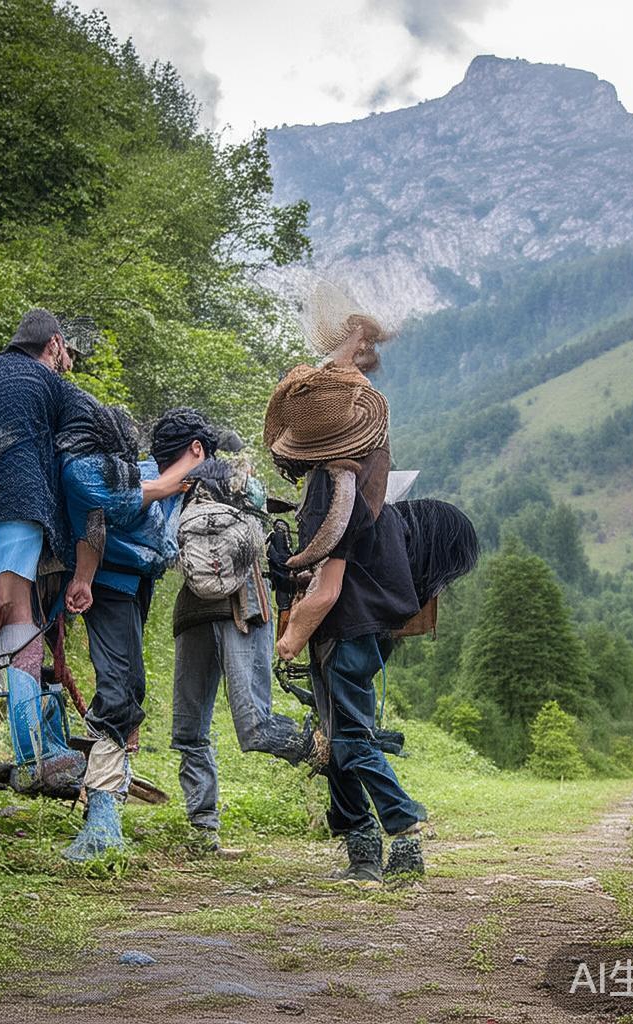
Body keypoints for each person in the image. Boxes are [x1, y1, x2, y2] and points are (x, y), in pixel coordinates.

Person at [265, 351, 428, 882]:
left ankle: (404, 834)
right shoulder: (366, 484)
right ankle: (362, 853)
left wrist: (287, 641)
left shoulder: (337, 495)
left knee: (352, 739)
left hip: (346, 630)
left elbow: (328, 589)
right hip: (367, 627)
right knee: (337, 740)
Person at [0, 308, 89, 791]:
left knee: (11, 616)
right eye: (64, 354)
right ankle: (34, 754)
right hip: (19, 509)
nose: (65, 362)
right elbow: (98, 424)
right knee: (19, 617)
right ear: (54, 345)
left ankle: (45, 743)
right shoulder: (44, 380)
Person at [59, 406, 214, 861]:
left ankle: (108, 804)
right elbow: (94, 515)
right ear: (195, 450)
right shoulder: (139, 477)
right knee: (118, 688)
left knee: (131, 687)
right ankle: (100, 818)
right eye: (205, 455)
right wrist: (84, 578)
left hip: (133, 586)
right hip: (106, 584)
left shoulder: (179, 488)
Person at [170, 434, 326, 854]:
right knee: (252, 726)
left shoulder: (183, 498)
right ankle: (322, 750)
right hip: (241, 612)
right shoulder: (243, 496)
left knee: (189, 730)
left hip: (198, 616)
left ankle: (204, 830)